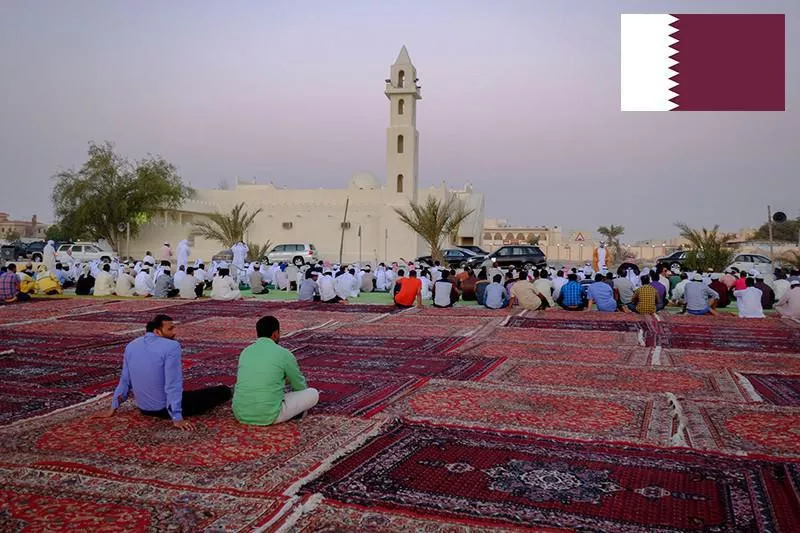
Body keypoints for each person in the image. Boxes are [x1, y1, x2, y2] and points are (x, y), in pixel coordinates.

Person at [94, 314, 233, 430]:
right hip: (163, 409)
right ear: (157, 332)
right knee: (222, 391)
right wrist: (177, 417)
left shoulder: (131, 345)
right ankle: (226, 391)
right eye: (170, 329)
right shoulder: (171, 346)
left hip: (143, 408)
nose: (174, 332)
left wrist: (113, 408)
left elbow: (125, 381)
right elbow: (172, 384)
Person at [233, 316, 319, 425]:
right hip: (268, 415)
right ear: (275, 334)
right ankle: (295, 413)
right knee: (312, 393)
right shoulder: (284, 354)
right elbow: (299, 386)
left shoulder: (245, 352)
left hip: (240, 413)